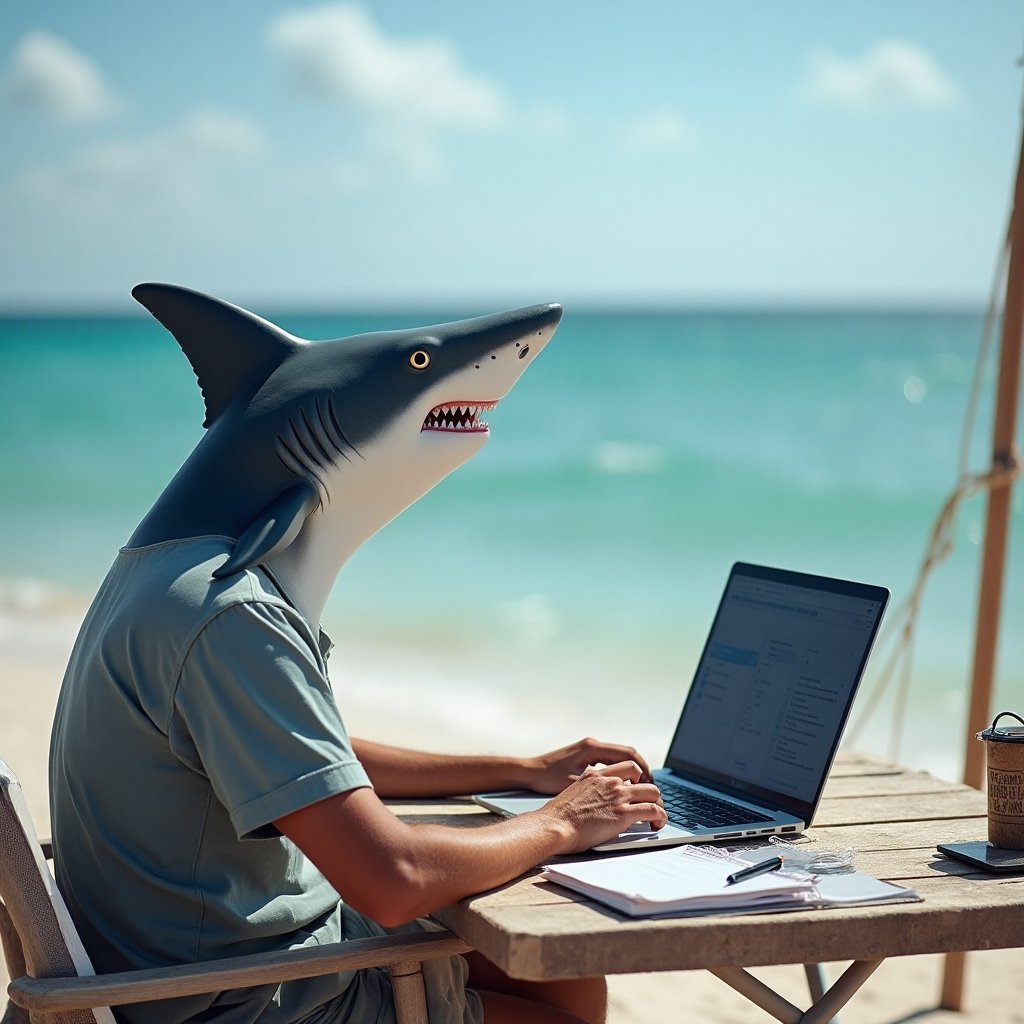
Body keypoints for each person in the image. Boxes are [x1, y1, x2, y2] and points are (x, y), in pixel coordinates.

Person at [50, 536, 666, 1024]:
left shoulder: (168, 573)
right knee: (558, 997)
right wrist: (563, 819)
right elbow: (395, 879)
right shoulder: (230, 613)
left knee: (562, 976)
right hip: (231, 995)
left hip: (187, 957)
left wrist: (521, 770)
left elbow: (304, 757)